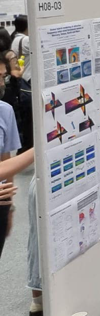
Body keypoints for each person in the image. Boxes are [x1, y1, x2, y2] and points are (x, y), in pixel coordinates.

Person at [0, 53, 21, 260]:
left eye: (3, 76)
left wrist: (9, 207)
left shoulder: (5, 112)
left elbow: (7, 162)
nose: (1, 83)